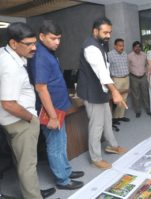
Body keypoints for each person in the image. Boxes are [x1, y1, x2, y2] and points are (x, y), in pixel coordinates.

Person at [0, 22, 55, 199]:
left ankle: (32, 190)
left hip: (10, 121)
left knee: (21, 160)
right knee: (28, 165)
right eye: (29, 44)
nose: (34, 48)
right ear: (14, 43)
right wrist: (31, 118)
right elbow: (8, 103)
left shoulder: (5, 53)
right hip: (20, 121)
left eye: (34, 43)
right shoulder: (11, 66)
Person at [28, 20, 84, 190]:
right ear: (42, 36)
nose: (57, 42)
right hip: (50, 110)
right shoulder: (40, 56)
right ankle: (63, 180)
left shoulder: (48, 51)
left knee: (61, 141)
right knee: (55, 145)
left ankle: (65, 170)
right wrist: (52, 116)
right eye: (53, 38)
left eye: (59, 39)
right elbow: (41, 87)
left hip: (58, 107)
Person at [76, 17, 127, 169]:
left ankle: (112, 145)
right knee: (96, 126)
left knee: (107, 120)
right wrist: (115, 92)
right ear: (95, 31)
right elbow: (102, 72)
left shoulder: (100, 44)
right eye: (105, 32)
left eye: (109, 32)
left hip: (101, 91)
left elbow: (105, 68)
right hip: (92, 93)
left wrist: (110, 91)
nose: (108, 36)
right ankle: (96, 159)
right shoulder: (90, 47)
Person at [108, 38, 130, 123]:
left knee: (125, 98)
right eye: (120, 46)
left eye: (123, 45)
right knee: (117, 98)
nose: (122, 47)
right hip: (116, 79)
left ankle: (121, 116)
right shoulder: (110, 55)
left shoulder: (125, 54)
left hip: (126, 78)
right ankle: (114, 117)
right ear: (115, 46)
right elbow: (106, 68)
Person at [128, 41, 150, 118]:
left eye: (139, 46)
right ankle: (138, 111)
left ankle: (148, 109)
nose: (138, 48)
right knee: (136, 95)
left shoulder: (144, 55)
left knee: (146, 94)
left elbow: (147, 65)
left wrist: (147, 74)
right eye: (136, 47)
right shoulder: (129, 56)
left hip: (143, 77)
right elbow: (127, 67)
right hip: (134, 78)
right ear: (133, 48)